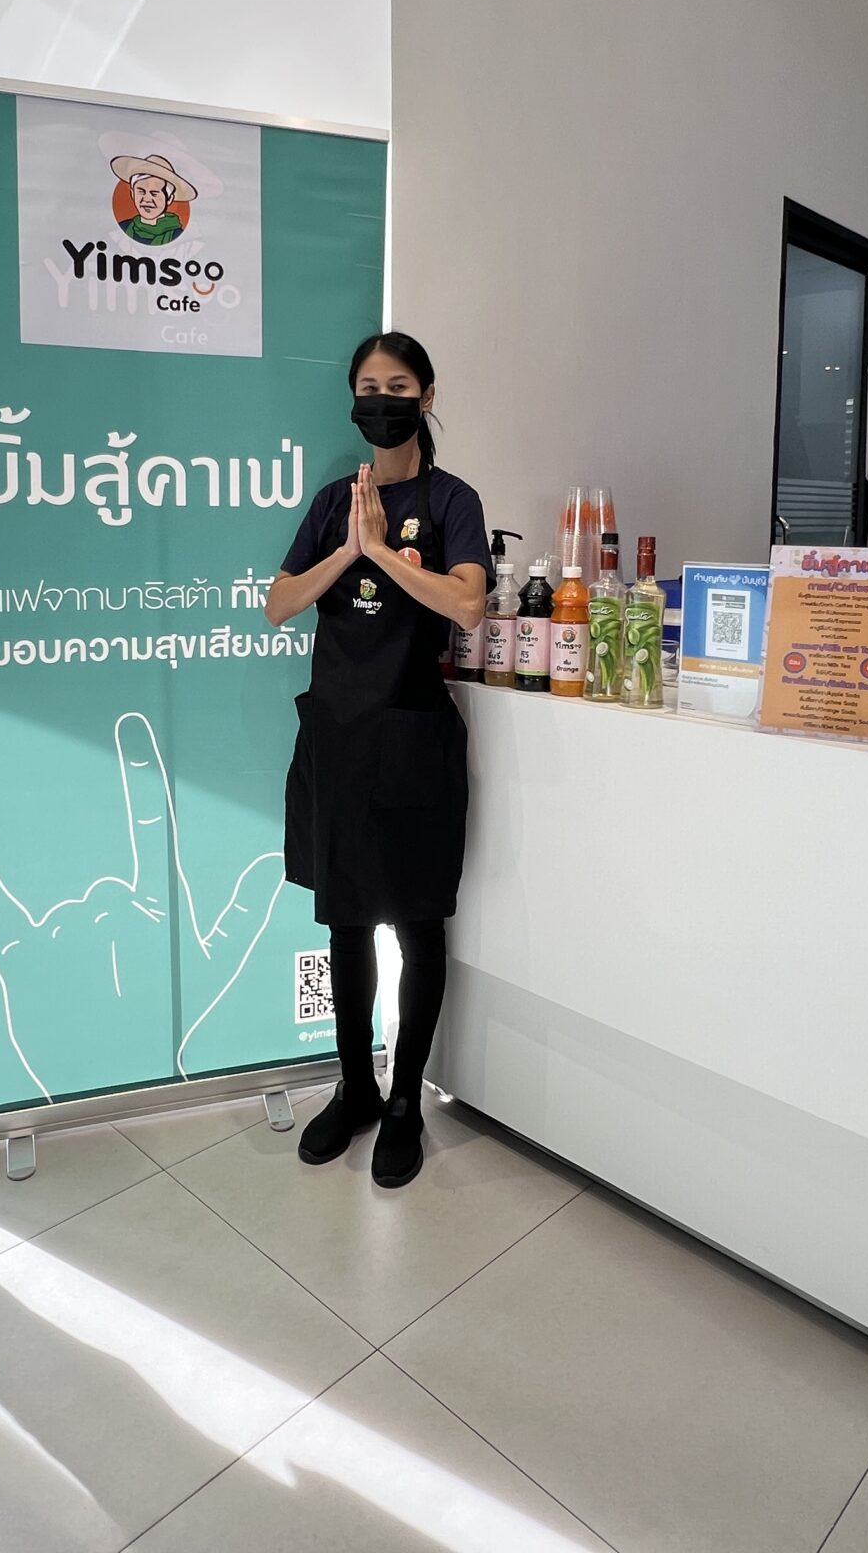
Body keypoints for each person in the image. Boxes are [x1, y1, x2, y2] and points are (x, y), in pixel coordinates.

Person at [265, 332, 490, 1187]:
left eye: (398, 386)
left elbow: (467, 605)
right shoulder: (336, 501)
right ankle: (354, 1087)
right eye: (368, 385)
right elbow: (279, 604)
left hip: (413, 736)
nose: (381, 400)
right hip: (338, 738)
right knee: (345, 922)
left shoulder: (453, 499)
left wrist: (386, 553)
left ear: (426, 397)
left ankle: (404, 1103)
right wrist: (349, 549)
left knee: (419, 924)